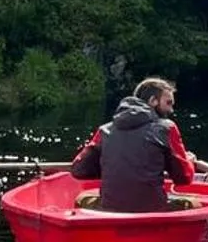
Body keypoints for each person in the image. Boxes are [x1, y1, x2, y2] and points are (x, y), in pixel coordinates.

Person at [69, 77, 195, 213]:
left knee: (82, 199)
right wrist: (189, 162)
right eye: (168, 103)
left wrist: (112, 166)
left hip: (110, 209)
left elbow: (78, 170)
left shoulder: (105, 130)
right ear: (153, 101)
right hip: (154, 209)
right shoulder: (167, 128)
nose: (171, 110)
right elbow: (184, 178)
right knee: (193, 204)